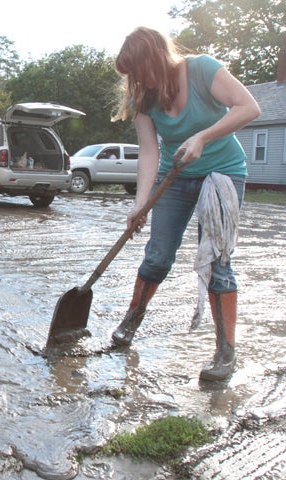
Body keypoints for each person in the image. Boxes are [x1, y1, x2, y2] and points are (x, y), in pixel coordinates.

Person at [110, 27, 260, 381]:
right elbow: (149, 151)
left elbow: (249, 107)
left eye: (140, 69)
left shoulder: (202, 69)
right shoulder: (142, 97)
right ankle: (131, 320)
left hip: (222, 173)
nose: (137, 80)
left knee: (216, 262)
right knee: (158, 254)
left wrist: (203, 137)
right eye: (131, 75)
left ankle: (225, 352)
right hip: (174, 176)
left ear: (158, 58)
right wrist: (140, 204)